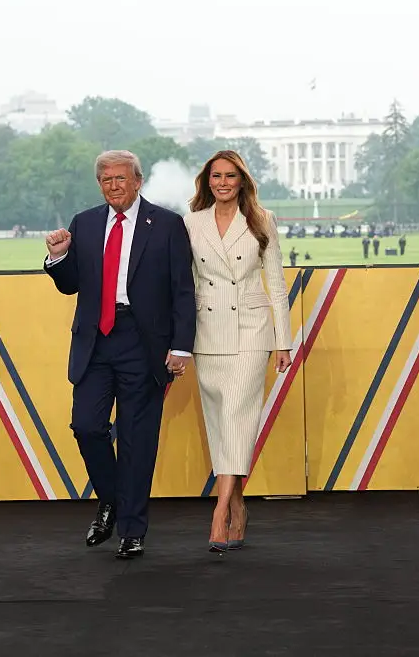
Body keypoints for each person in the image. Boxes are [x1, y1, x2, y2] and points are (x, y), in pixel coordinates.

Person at [43, 149, 195, 560]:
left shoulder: (166, 225)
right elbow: (70, 284)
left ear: (137, 181)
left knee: (136, 441)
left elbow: (183, 290)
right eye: (106, 180)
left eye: (121, 179)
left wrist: (181, 347)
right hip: (95, 342)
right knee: (86, 426)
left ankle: (131, 530)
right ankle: (109, 499)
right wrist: (58, 257)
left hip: (144, 345)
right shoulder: (85, 223)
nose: (114, 186)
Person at [182, 150, 292, 553]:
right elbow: (186, 284)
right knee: (221, 425)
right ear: (207, 181)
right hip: (208, 333)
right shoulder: (191, 223)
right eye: (216, 176)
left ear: (242, 180)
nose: (222, 182)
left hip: (251, 331)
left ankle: (219, 513)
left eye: (230, 176)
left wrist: (284, 341)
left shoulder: (262, 220)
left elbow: (276, 284)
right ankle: (240, 505)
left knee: (237, 418)